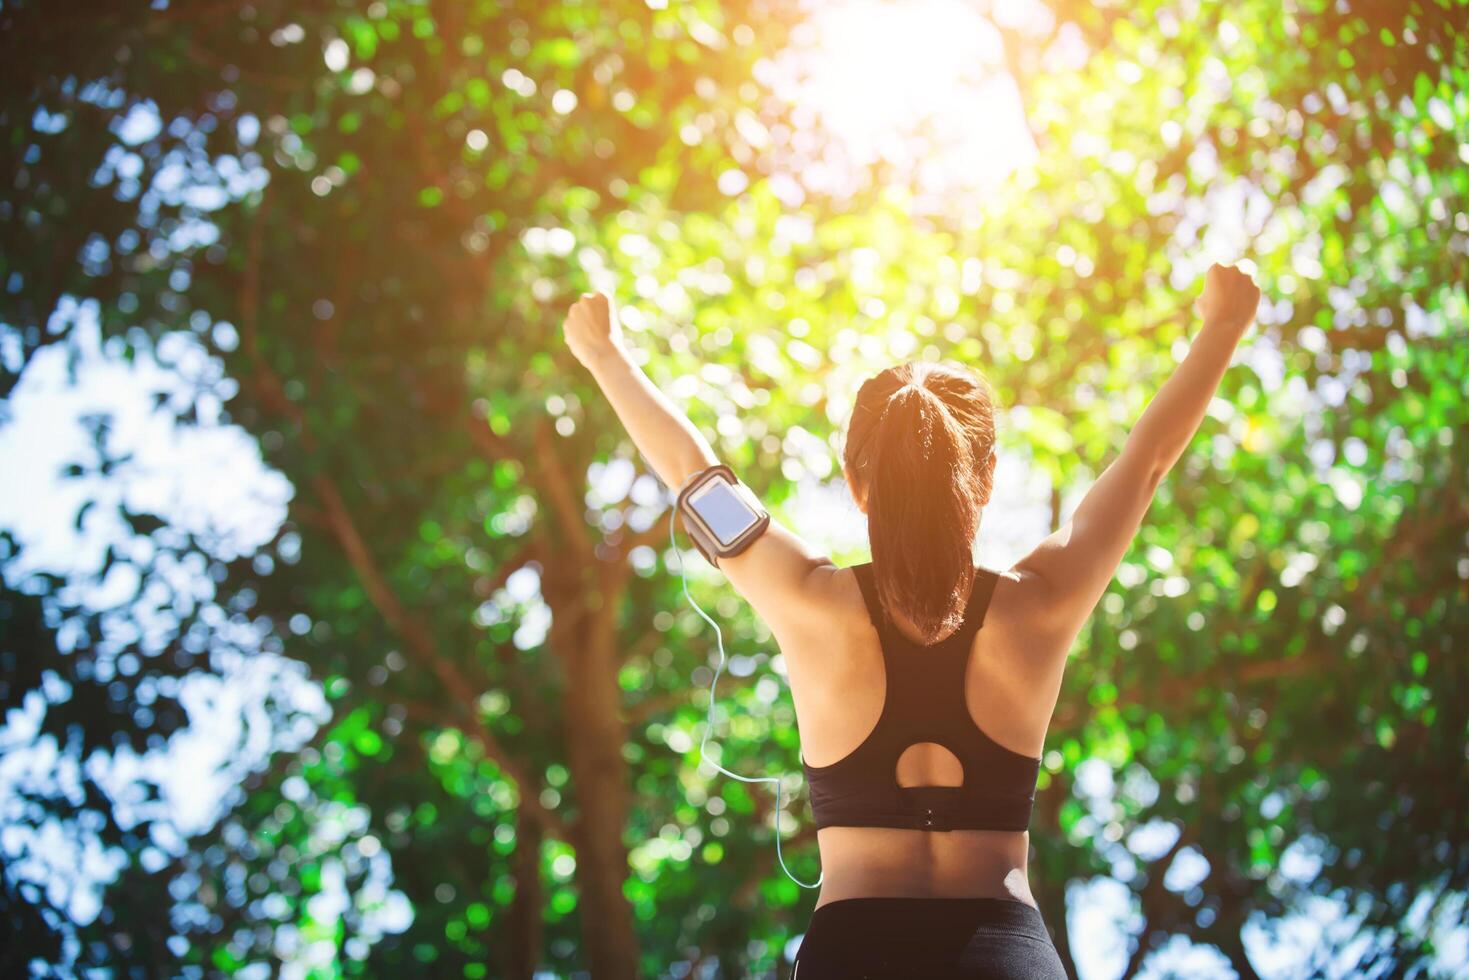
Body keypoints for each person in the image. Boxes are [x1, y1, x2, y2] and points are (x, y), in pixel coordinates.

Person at [563, 262, 1262, 978]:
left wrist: (604, 355)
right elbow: (1145, 463)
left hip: (853, 954)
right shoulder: (1040, 602)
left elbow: (692, 474)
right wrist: (1223, 327)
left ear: (857, 485)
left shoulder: (808, 601)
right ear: (984, 478)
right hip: (1006, 956)